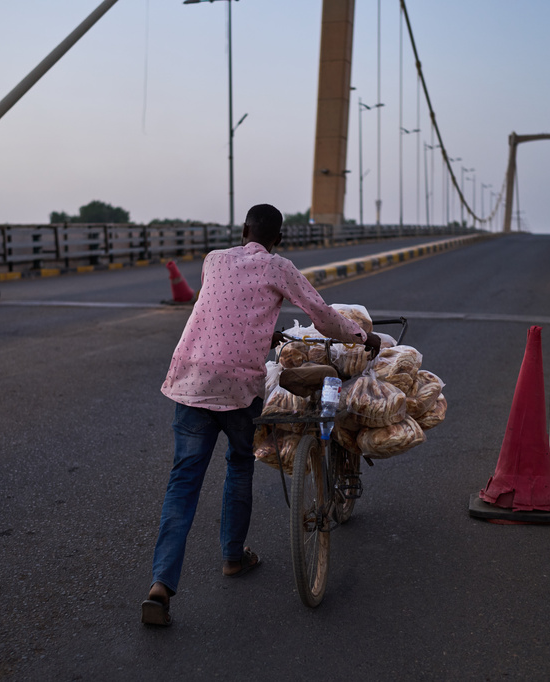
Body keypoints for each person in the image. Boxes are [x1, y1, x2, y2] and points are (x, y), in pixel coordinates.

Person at [141, 203, 380, 626]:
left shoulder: (214, 260)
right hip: (237, 387)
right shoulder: (279, 266)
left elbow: (222, 311)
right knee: (238, 466)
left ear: (243, 230)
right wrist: (363, 336)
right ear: (278, 240)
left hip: (192, 380)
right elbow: (322, 317)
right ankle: (233, 556)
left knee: (183, 483)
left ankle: (160, 585)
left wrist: (259, 332)